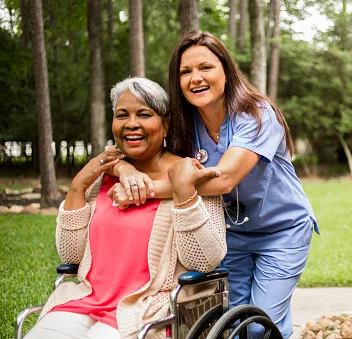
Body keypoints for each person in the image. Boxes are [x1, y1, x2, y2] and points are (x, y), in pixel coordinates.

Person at [109, 31, 319, 339]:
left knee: (261, 326)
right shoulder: (184, 124)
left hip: (281, 231)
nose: (195, 78)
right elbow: (127, 145)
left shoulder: (256, 114)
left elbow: (224, 178)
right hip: (229, 234)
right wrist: (124, 169)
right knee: (233, 326)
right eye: (185, 71)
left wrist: (146, 190)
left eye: (205, 67)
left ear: (226, 70)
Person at [25, 77, 227, 339]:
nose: (132, 124)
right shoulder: (101, 178)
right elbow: (72, 256)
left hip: (149, 308)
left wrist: (185, 194)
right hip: (87, 300)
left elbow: (204, 260)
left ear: (165, 125)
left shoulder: (187, 174)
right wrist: (77, 187)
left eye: (144, 114)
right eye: (122, 115)